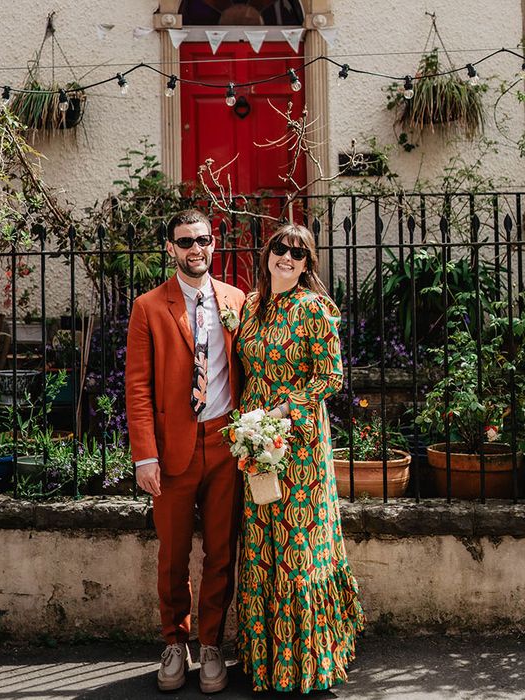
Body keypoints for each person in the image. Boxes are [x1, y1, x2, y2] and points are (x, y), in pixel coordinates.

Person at [235, 223, 365, 693]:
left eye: (297, 253)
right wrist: (251, 426)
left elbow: (331, 376)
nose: (286, 258)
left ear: (308, 263)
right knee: (261, 541)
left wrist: (285, 408)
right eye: (279, 249)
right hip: (254, 441)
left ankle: (307, 662)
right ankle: (266, 659)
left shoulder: (316, 310)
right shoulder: (250, 307)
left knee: (297, 547)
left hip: (300, 444)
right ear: (267, 255)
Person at [125, 209, 246, 694]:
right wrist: (144, 456)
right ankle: (176, 641)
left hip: (225, 444)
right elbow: (136, 387)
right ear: (170, 248)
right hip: (172, 448)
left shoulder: (238, 300)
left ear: (213, 244)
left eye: (203, 239)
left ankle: (212, 643)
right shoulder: (149, 307)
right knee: (173, 555)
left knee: (221, 551)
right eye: (185, 241)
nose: (196, 248)